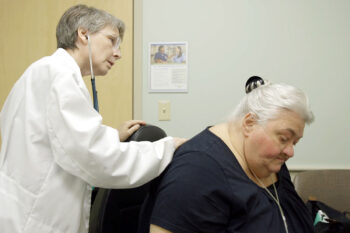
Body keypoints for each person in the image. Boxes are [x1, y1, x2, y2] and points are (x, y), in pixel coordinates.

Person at [0, 4, 185, 233]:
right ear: (83, 34)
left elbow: (51, 138)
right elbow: (96, 158)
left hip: (20, 210)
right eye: (112, 40)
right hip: (37, 219)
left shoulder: (39, 71)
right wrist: (167, 148)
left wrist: (111, 135)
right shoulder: (61, 76)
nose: (118, 52)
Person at [139, 76, 315, 233]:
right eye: (284, 138)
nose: (290, 151)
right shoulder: (196, 173)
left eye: (295, 142)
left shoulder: (267, 158)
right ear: (249, 123)